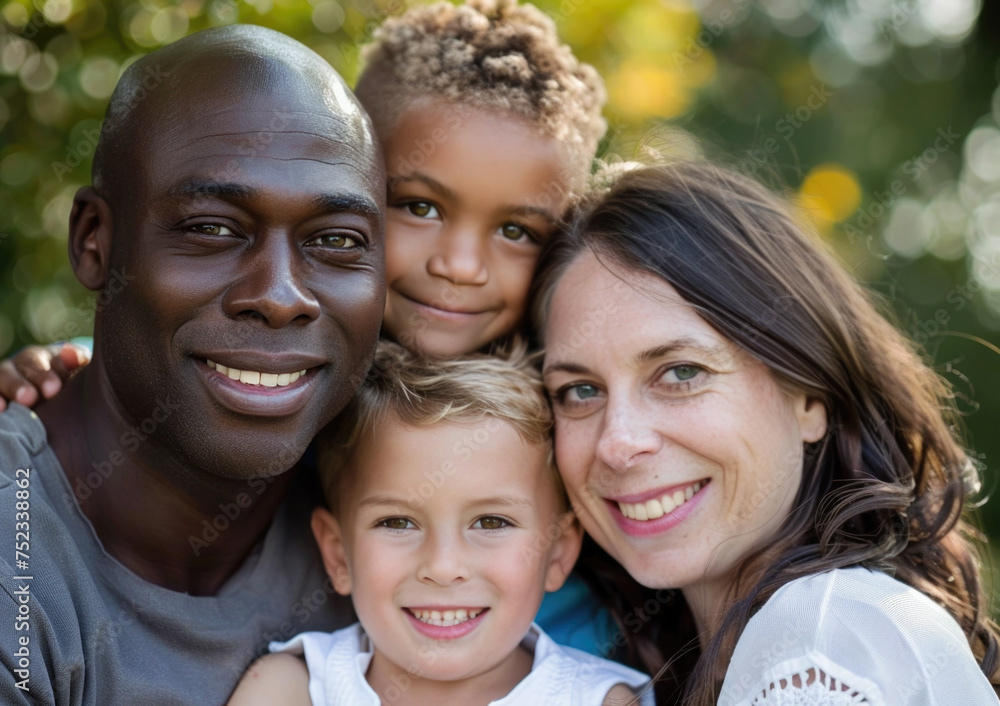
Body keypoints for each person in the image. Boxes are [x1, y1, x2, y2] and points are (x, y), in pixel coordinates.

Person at [0, 0, 615, 656]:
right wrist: (64, 364)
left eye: (516, 231)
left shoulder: (560, 419)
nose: (460, 267)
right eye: (420, 207)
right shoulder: (280, 380)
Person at [0, 24, 386, 704]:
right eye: (212, 228)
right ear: (95, 242)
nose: (279, 296)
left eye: (334, 240)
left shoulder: (396, 493)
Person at [531, 161, 1000, 705]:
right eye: (579, 392)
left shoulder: (822, 644)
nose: (617, 442)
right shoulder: (725, 656)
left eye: (682, 373)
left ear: (809, 396)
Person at [227, 341, 654, 705]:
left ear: (557, 551)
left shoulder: (598, 700)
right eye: (397, 522)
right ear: (339, 553)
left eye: (491, 522)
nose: (444, 566)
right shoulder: (294, 688)